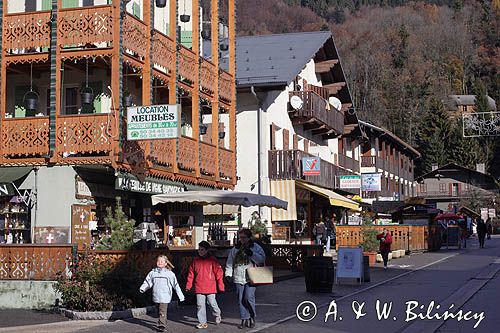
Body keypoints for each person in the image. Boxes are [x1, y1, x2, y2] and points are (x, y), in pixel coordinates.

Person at [225, 228, 266, 329]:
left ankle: (252, 316)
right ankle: (244, 318)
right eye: (240, 237)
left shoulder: (255, 247)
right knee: (240, 299)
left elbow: (261, 259)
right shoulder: (236, 249)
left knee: (248, 297)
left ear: (249, 237)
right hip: (238, 276)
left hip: (252, 276)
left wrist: (251, 254)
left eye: (244, 237)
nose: (242, 240)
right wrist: (228, 274)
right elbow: (230, 262)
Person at [140, 255, 185, 332]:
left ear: (165, 263)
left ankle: (161, 325)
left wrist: (180, 296)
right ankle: (163, 320)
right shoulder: (153, 273)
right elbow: (148, 281)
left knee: (162, 311)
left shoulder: (169, 274)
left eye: (162, 261)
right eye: (158, 261)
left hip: (165, 296)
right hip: (156, 295)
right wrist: (143, 288)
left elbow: (175, 285)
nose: (159, 262)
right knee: (158, 311)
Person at [186, 241, 224, 329]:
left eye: (202, 250)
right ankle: (202, 322)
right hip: (199, 286)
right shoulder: (195, 261)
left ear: (207, 250)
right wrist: (188, 285)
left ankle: (217, 314)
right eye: (199, 250)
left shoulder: (212, 260)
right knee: (200, 305)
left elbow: (219, 273)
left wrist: (220, 285)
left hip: (210, 286)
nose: (200, 251)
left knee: (212, 303)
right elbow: (191, 274)